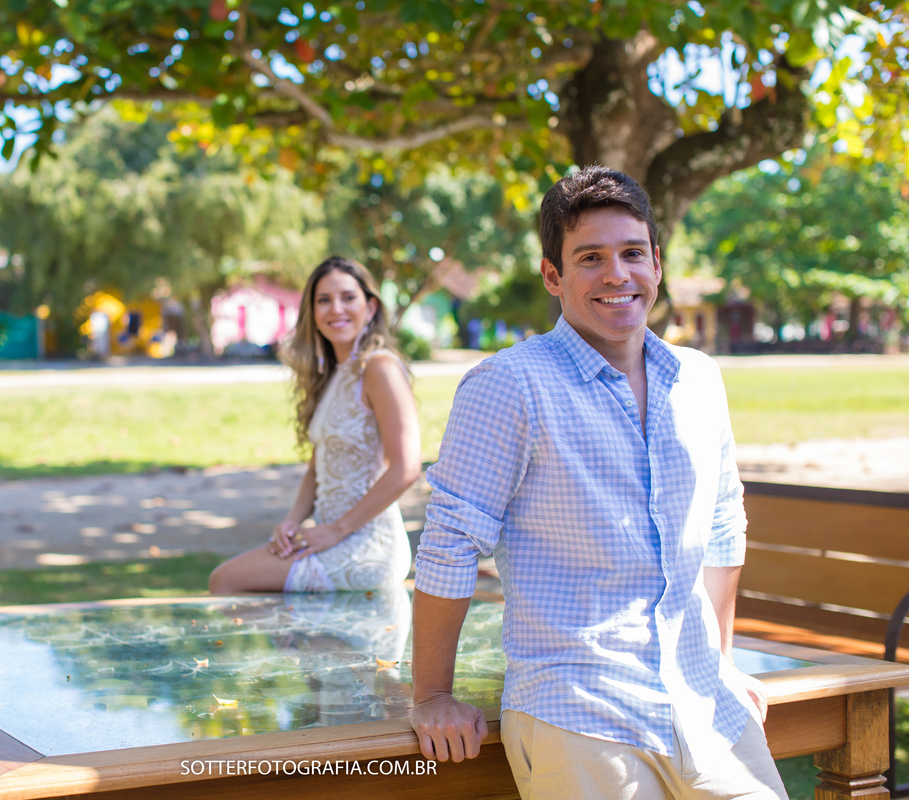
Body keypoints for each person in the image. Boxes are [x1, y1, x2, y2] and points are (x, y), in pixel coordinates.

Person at [409, 166, 788, 799]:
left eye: (632, 253)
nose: (617, 274)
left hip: (703, 703)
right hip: (579, 705)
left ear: (657, 264)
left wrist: (721, 661)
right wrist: (433, 695)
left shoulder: (698, 379)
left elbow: (723, 526)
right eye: (591, 258)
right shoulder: (510, 385)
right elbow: (449, 543)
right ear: (553, 276)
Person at [208, 256, 421, 594]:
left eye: (348, 297)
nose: (336, 308)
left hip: (365, 543)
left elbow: (406, 468)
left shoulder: (380, 368)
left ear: (371, 307)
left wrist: (338, 529)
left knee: (226, 580)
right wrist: (292, 520)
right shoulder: (332, 377)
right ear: (313, 314)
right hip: (327, 536)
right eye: (324, 300)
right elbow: (317, 467)